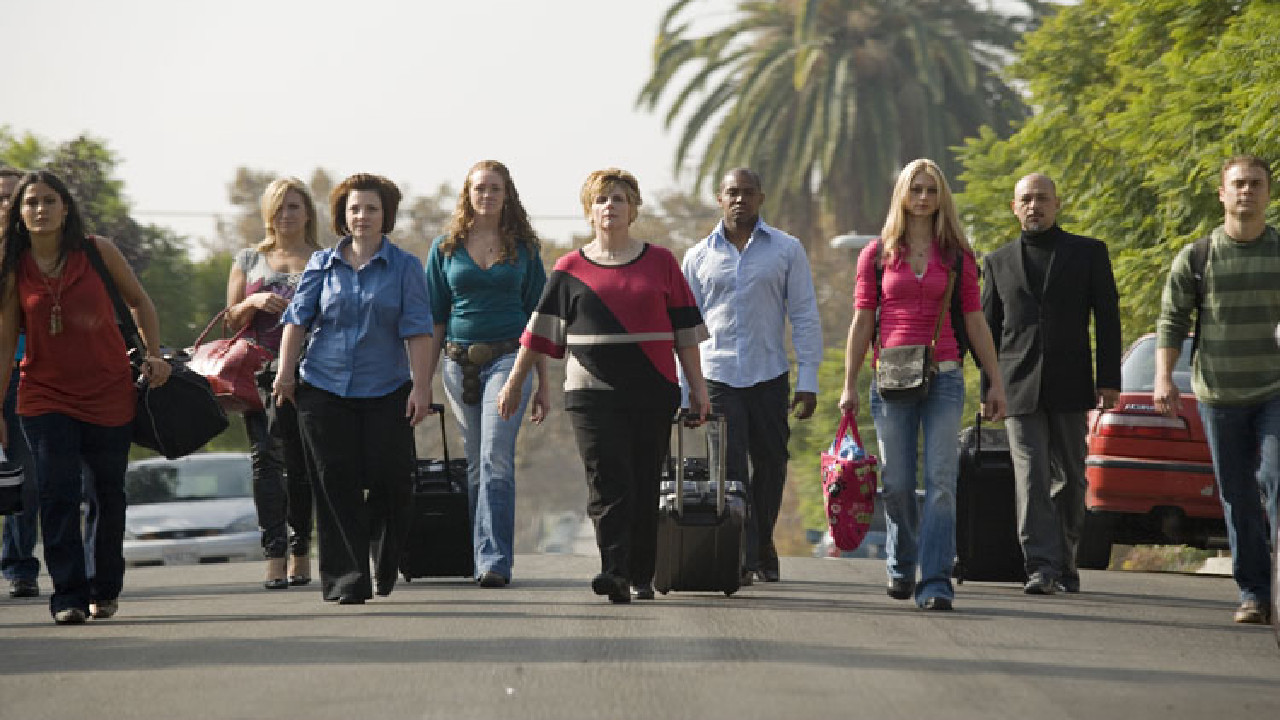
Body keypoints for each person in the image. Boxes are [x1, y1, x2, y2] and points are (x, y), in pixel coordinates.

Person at [497, 168, 711, 603]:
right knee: (606, 480)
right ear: (588, 212)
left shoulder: (662, 262)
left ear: (633, 210)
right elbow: (538, 334)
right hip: (590, 393)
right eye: (601, 200)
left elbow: (686, 334)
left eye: (618, 198)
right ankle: (613, 570)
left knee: (644, 479)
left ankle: (640, 574)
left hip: (653, 390)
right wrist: (514, 383)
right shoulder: (569, 268)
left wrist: (699, 390)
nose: (609, 206)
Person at [0, 170, 171, 624]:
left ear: (65, 207)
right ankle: (68, 596)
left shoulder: (97, 251)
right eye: (30, 202)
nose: (40, 209)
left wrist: (154, 356)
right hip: (44, 394)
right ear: (19, 213)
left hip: (108, 391)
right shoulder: (14, 266)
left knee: (106, 493)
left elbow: (140, 302)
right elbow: (3, 343)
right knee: (57, 493)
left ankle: (104, 587)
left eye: (48, 200)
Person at [838, 159, 1007, 611]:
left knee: (941, 481)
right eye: (916, 189)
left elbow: (975, 320)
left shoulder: (957, 255)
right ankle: (901, 562)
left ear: (941, 197)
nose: (924, 198)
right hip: (889, 380)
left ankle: (934, 581)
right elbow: (862, 321)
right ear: (902, 195)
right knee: (894, 483)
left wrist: (995, 382)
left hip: (945, 377)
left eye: (932, 190)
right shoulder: (876, 254)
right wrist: (849, 383)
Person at [272, 173, 434, 605]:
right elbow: (297, 319)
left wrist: (422, 388)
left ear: (386, 216)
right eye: (355, 208)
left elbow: (418, 330)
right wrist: (286, 375)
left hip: (386, 389)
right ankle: (348, 580)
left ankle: (384, 559)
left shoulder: (405, 267)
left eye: (372, 209)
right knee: (334, 481)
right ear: (344, 215)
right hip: (323, 387)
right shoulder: (321, 264)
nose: (363, 216)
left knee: (392, 479)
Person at [680, 167, 822, 584]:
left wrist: (808, 378)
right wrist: (687, 387)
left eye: (747, 193)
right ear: (719, 199)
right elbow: (685, 328)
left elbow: (804, 314)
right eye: (731, 193)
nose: (739, 199)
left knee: (772, 463)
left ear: (761, 198)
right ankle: (747, 551)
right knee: (730, 469)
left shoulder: (786, 250)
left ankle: (762, 542)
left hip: (769, 373)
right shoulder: (698, 256)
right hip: (718, 375)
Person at [982, 172, 1121, 595]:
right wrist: (989, 387)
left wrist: (1109, 380)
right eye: (1026, 199)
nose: (1034, 206)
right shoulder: (997, 261)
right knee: (1031, 477)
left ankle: (1065, 559)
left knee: (1073, 478)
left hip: (1071, 382)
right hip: (1017, 386)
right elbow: (986, 330)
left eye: (1042, 199)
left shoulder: (1088, 253)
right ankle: (1040, 565)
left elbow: (1108, 318)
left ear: (1057, 204)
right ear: (1014, 207)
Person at [1154, 155, 1277, 625]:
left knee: (1276, 478)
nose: (1247, 191)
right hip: (1218, 394)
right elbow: (1172, 320)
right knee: (1237, 494)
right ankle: (1254, 593)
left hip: (1273, 390)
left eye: (1256, 184)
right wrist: (1164, 378)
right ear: (1222, 194)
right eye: (1238, 184)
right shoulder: (1198, 256)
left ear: (1268, 194)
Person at [423, 160, 548, 588]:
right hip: (458, 364)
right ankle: (478, 556)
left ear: (506, 194)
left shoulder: (526, 250)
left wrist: (542, 385)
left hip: (509, 360)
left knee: (496, 457)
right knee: (476, 465)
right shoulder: (444, 249)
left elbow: (539, 320)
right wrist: (421, 384)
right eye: (480, 188)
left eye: (495, 188)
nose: (487, 195)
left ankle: (494, 560)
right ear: (468, 194)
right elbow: (435, 320)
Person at [225, 177, 320, 590]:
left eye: (294, 207)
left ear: (307, 213)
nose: (286, 215)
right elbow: (229, 318)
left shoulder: (323, 257)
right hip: (258, 373)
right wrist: (253, 302)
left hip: (311, 371)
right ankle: (274, 556)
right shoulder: (249, 259)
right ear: (269, 213)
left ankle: (301, 552)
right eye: (279, 208)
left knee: (301, 465)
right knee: (265, 461)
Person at [0, 166, 41, 599]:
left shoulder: (39, 255)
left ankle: (19, 565)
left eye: (15, 196)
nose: (8, 204)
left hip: (25, 375)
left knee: (23, 476)